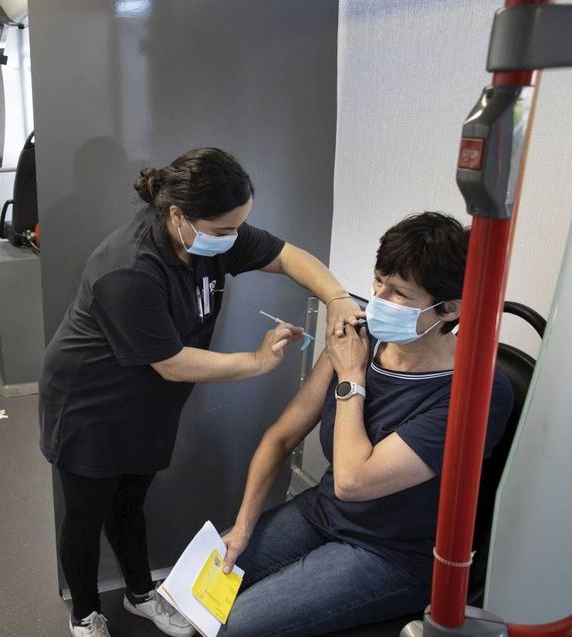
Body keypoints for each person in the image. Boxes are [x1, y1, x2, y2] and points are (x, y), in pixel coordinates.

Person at [39, 148, 363, 637]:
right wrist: (256, 362)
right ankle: (85, 613)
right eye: (224, 230)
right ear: (177, 216)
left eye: (240, 226)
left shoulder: (214, 232)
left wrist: (337, 296)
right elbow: (172, 362)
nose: (234, 239)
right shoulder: (127, 269)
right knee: (86, 514)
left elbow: (288, 256)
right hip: (90, 402)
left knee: (130, 502)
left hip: (148, 400)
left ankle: (140, 594)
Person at [217, 212, 514, 637]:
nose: (377, 299)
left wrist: (352, 378)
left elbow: (354, 482)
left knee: (240, 624)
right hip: (323, 512)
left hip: (392, 553)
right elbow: (281, 436)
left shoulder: (475, 392)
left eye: (399, 293)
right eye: (378, 281)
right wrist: (243, 527)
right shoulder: (361, 337)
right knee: (207, 579)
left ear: (449, 309)